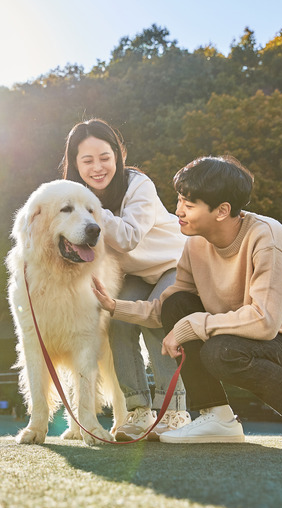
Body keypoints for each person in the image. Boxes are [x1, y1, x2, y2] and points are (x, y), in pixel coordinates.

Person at [93, 155, 282, 445]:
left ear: (222, 210)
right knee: (178, 305)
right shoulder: (194, 245)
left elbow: (265, 321)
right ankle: (217, 416)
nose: (178, 211)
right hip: (250, 339)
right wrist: (114, 306)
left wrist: (196, 324)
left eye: (189, 204)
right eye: (179, 201)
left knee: (220, 352)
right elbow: (168, 309)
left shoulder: (267, 238)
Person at [61, 118, 191, 441]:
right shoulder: (72, 198)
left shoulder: (138, 184)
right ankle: (138, 411)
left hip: (173, 264)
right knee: (118, 321)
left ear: (117, 155)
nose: (98, 167)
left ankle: (174, 410)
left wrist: (92, 210)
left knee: (156, 315)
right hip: (134, 274)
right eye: (87, 160)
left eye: (105, 157)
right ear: (75, 164)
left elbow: (130, 237)